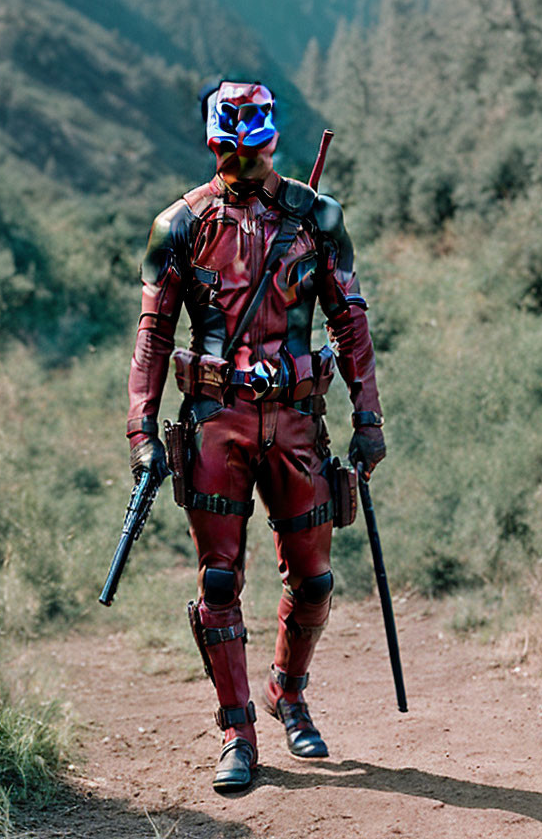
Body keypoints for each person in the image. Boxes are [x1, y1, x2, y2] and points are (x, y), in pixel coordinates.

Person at [126, 80, 386, 793]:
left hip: (301, 421)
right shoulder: (178, 225)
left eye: (260, 146)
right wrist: (141, 429)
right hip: (218, 423)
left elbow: (351, 323)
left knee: (314, 579)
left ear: (274, 140)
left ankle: (288, 693)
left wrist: (368, 418)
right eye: (235, 148)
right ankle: (237, 730)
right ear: (215, 144)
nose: (249, 159)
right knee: (219, 579)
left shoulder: (318, 219)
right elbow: (153, 334)